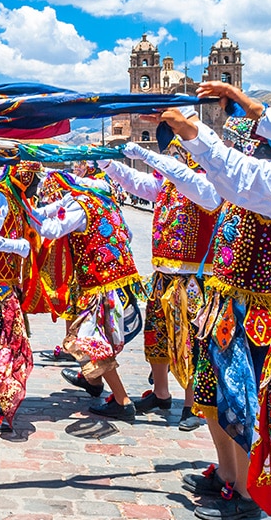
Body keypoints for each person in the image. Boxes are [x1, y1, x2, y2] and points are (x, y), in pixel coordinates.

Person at [161, 79, 271, 520]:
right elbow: (238, 175)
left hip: (266, 321)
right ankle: (234, 479)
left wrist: (258, 111)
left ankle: (245, 491)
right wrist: (193, 132)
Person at [99, 110, 221, 431]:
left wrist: (145, 155)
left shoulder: (207, 179)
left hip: (193, 278)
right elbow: (139, 183)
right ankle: (161, 393)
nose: (173, 149)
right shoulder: (169, 182)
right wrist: (110, 165)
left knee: (191, 341)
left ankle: (194, 404)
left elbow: (187, 182)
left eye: (178, 143)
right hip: (164, 274)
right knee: (159, 338)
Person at [0, 161, 76, 432]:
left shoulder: (16, 198)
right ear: (24, 177)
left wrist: (66, 202)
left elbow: (36, 216)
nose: (38, 185)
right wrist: (19, 246)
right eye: (35, 179)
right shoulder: (0, 196)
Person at [38, 169, 143, 421]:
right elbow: (128, 235)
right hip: (118, 280)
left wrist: (26, 218)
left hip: (101, 284)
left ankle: (122, 400)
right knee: (95, 339)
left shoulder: (79, 205)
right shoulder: (102, 201)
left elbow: (53, 229)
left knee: (92, 342)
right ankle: (92, 381)